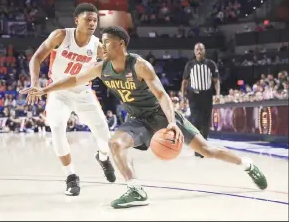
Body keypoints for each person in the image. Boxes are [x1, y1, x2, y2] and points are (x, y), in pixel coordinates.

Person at [21, 26, 268, 208]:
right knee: (114, 143)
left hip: (162, 115)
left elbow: (162, 95)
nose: (101, 46)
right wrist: (44, 89)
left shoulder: (139, 65)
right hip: (138, 119)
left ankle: (247, 165)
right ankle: (135, 189)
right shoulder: (100, 66)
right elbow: (73, 80)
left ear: (121, 44)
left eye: (106, 42)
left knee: (207, 149)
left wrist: (172, 122)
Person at [26, 3, 116, 196]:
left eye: (95, 20)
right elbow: (36, 58)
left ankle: (102, 157)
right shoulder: (61, 35)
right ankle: (71, 175)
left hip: (83, 92)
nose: (92, 23)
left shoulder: (98, 47)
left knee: (105, 139)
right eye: (88, 19)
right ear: (77, 20)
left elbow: (115, 65)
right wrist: (35, 83)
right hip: (58, 92)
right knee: (57, 130)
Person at [181, 43, 220, 158]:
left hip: (207, 95)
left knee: (206, 122)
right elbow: (184, 82)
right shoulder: (190, 65)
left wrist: (217, 94)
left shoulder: (211, 64)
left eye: (201, 49)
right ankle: (198, 148)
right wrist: (183, 97)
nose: (199, 51)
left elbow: (216, 81)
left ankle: (204, 147)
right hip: (194, 96)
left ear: (204, 51)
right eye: (197, 49)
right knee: (196, 121)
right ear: (194, 52)